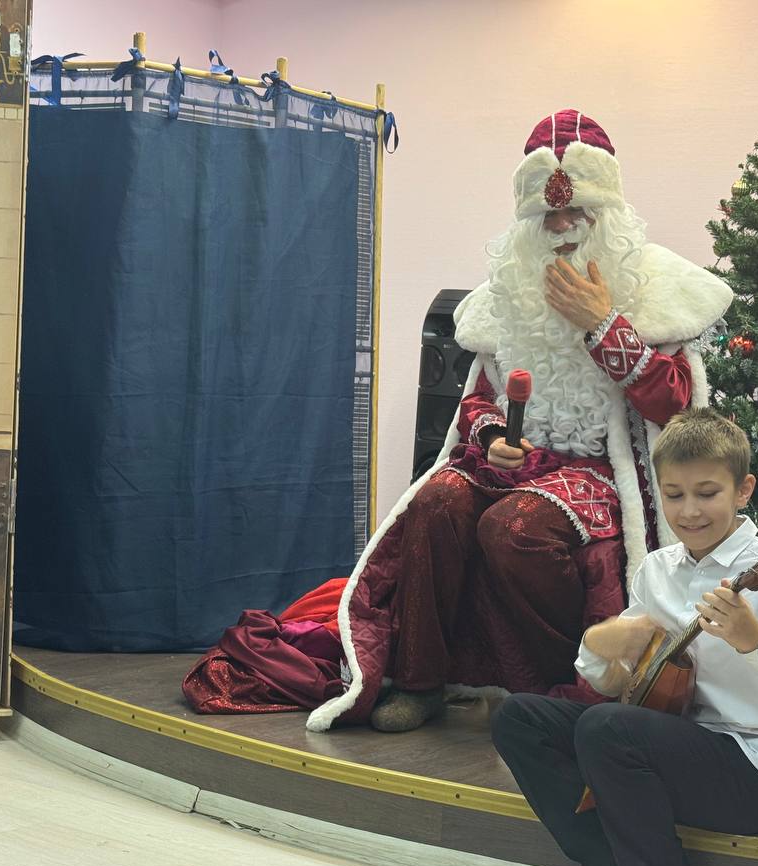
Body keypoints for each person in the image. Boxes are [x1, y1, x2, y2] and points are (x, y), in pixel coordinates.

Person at [305, 109, 733, 733]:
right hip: (517, 464)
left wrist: (602, 324)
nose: (561, 227)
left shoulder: (654, 286)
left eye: (576, 211)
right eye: (546, 216)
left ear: (607, 214)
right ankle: (420, 681)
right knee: (436, 501)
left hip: (599, 472)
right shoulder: (507, 292)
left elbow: (677, 406)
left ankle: (555, 686)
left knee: (514, 529)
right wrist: (491, 438)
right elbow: (478, 399)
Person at [490, 408, 758, 866]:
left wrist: (755, 640)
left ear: (743, 490)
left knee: (609, 729)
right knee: (519, 718)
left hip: (750, 773)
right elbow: (616, 681)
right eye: (674, 494)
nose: (689, 511)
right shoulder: (656, 569)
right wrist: (600, 644)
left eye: (707, 493)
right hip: (661, 747)